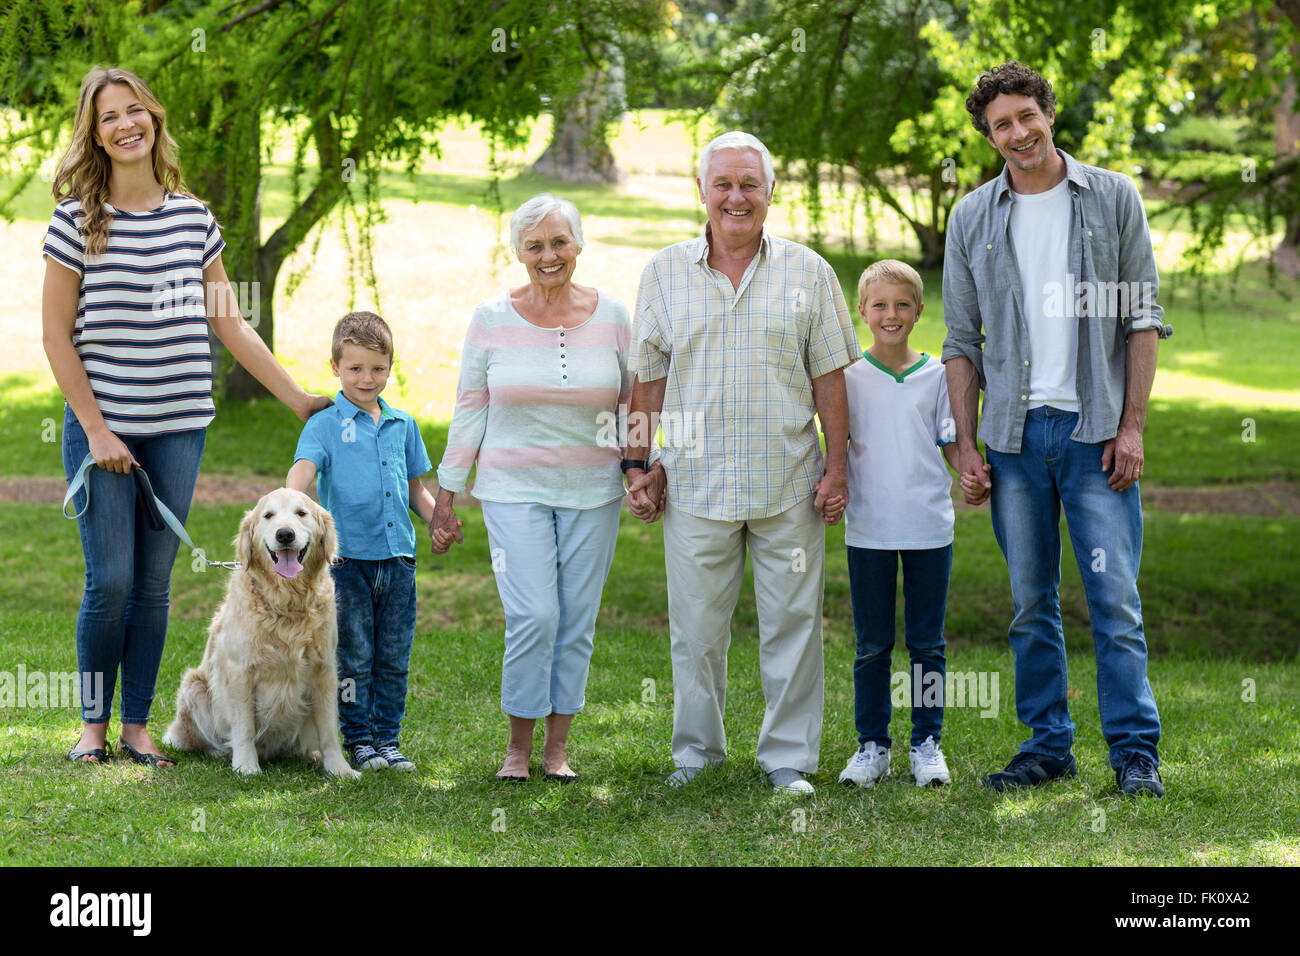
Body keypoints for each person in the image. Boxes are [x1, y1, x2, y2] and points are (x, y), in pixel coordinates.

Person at [43, 66, 331, 767]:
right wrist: (99, 428)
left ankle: (138, 726)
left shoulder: (193, 218)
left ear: (154, 120)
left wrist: (296, 397)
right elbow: (55, 335)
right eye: (109, 117)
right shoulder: (78, 220)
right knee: (109, 579)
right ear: (95, 133)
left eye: (135, 110)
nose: (125, 125)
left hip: (177, 428)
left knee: (153, 582)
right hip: (101, 429)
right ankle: (92, 727)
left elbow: (230, 323)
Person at [942, 61, 1172, 797]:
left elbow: (1141, 319)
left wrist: (1132, 427)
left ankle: (1135, 752)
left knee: (1115, 601)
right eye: (1000, 126)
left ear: (1048, 111)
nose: (1017, 134)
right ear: (989, 136)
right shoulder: (973, 215)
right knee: (1029, 601)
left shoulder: (1111, 198)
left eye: (1025, 117)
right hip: (1013, 442)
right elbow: (959, 342)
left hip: (1094, 432)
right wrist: (966, 442)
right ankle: (1048, 746)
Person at [626, 131, 860, 796]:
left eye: (748, 185)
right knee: (696, 632)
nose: (736, 197)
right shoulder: (664, 273)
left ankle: (787, 758)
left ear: (770, 193)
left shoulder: (810, 272)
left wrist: (836, 471)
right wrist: (638, 464)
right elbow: (647, 378)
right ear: (700, 192)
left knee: (793, 625)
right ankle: (697, 753)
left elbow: (831, 380)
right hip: (695, 484)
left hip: (789, 480)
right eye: (723, 185)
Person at [431, 194, 632, 783]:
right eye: (535, 245)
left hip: (595, 490)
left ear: (578, 245)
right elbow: (470, 406)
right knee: (535, 615)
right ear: (518, 251)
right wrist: (447, 493)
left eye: (559, 242)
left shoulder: (615, 315)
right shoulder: (491, 318)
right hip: (511, 486)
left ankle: (557, 749)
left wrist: (642, 468)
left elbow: (631, 404)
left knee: (576, 619)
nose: (549, 255)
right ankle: (517, 748)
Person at [838, 259, 987, 789]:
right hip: (869, 529)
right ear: (862, 311)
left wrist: (970, 472)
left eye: (902, 304)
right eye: (879, 305)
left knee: (927, 644)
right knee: (872, 644)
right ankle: (872, 745)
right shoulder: (848, 377)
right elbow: (836, 446)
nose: (891, 314)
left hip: (929, 527)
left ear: (920, 311)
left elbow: (951, 441)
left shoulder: (938, 376)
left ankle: (927, 744)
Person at [287, 311, 434, 772]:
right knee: (354, 655)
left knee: (393, 655)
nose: (366, 378)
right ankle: (360, 740)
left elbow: (415, 488)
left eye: (376, 368)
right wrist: (292, 506)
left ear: (390, 367)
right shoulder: (325, 424)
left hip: (399, 562)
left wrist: (437, 521)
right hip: (347, 563)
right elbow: (303, 472)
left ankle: (388, 740)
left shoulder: (403, 425)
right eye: (354, 368)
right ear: (335, 367)